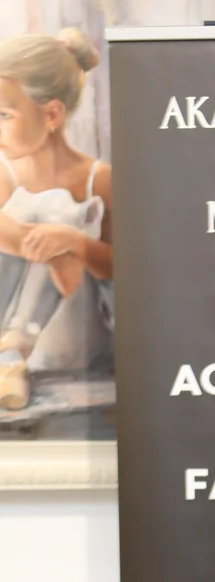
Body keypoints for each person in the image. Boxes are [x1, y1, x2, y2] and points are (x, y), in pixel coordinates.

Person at [0, 27, 113, 412]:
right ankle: (10, 355)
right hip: (16, 322)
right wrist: (52, 248)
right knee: (44, 215)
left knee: (61, 212)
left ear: (51, 114)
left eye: (4, 115)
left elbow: (123, 269)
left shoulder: (100, 179)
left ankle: (14, 351)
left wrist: (73, 243)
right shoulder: (4, 175)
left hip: (75, 337)